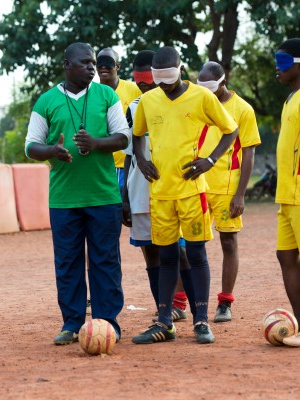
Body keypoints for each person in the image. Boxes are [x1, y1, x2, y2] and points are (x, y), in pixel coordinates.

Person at [131, 46, 238, 345]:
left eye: (169, 76)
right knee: (166, 257)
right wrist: (141, 159)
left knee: (195, 254)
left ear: (180, 69)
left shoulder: (202, 97)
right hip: (161, 193)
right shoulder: (149, 101)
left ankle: (201, 321)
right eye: (158, 77)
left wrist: (211, 160)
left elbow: (230, 129)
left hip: (192, 192)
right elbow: (137, 134)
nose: (164, 83)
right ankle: (164, 323)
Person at [25, 42, 130, 345]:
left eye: (93, 63)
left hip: (104, 195)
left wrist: (96, 143)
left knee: (105, 262)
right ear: (66, 63)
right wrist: (52, 151)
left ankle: (106, 322)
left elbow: (122, 137)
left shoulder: (106, 95)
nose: (91, 68)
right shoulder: (46, 101)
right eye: (84, 63)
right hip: (64, 199)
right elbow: (31, 145)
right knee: (68, 262)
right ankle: (71, 324)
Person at [122, 50, 192, 322]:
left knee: (179, 249)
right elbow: (130, 153)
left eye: (147, 78)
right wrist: (125, 196)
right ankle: (163, 307)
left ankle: (182, 303)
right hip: (141, 190)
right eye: (138, 79)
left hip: (176, 188)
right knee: (150, 250)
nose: (143, 84)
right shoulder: (136, 106)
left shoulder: (184, 101)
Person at [197, 62, 261, 322]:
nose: (207, 92)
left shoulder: (243, 109)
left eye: (211, 87)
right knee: (191, 244)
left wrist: (240, 194)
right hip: (198, 183)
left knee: (228, 242)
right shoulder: (198, 102)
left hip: (226, 186)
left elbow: (249, 152)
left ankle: (225, 302)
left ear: (223, 82)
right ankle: (182, 301)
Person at [273, 38, 300, 347]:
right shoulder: (292, 98)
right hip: (287, 194)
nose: (278, 67)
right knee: (285, 255)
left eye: (283, 62)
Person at [96, 47, 142, 194]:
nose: (103, 66)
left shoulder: (134, 89)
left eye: (108, 62)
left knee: (130, 211)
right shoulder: (90, 93)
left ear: (117, 66)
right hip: (103, 167)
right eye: (99, 62)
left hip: (130, 164)